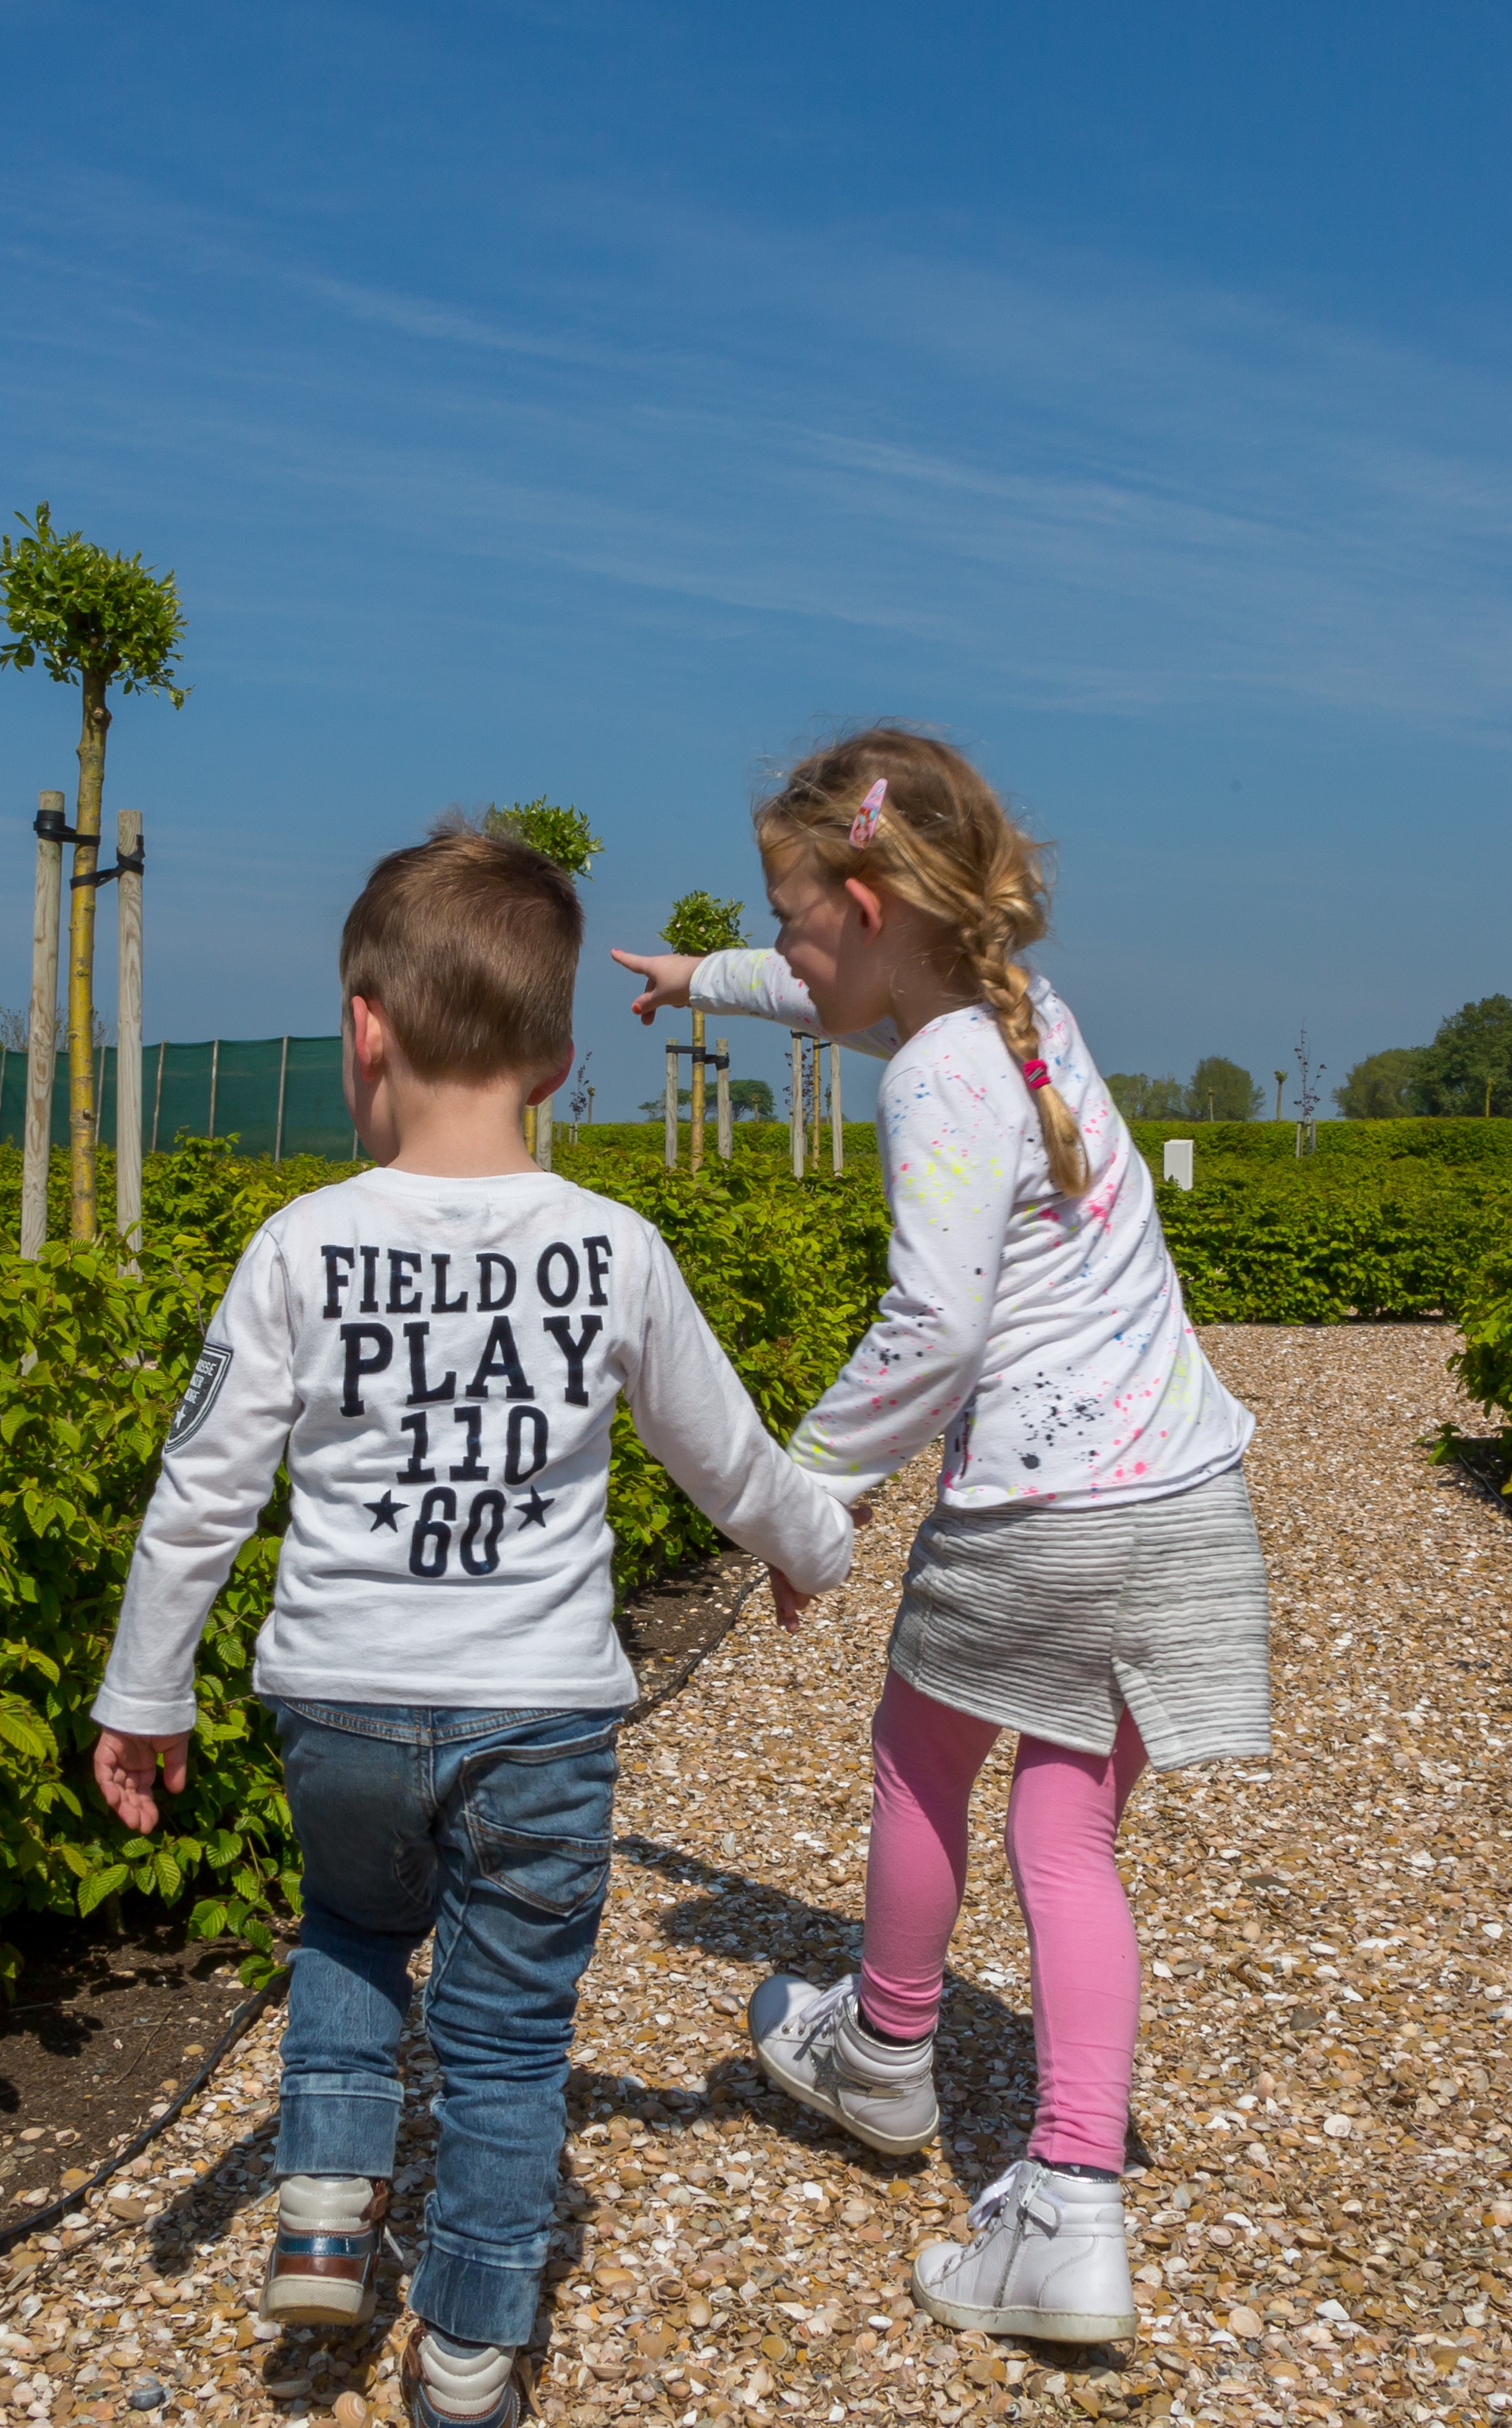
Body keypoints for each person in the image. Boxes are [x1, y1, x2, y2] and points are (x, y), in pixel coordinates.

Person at [93, 821, 857, 2428]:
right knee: (509, 2042)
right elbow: (724, 1449)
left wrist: (143, 1695)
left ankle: (320, 2207)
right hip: (539, 1720)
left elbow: (199, 1497)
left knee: (356, 1935)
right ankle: (469, 2348)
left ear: (362, 1028)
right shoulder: (614, 1250)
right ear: (564, 1061)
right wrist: (807, 1544)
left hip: (339, 1708)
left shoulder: (296, 1245)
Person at [610, 726, 1270, 2346]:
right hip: (1184, 1494)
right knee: (1069, 1839)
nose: (783, 951)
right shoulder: (1019, 1015)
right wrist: (706, 973)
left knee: (920, 1754)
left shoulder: (933, 1077)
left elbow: (932, 1328)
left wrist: (805, 1491)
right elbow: (842, 988)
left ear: (859, 894)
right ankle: (1070, 2201)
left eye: (785, 918)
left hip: (1038, 1509)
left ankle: (886, 2053)